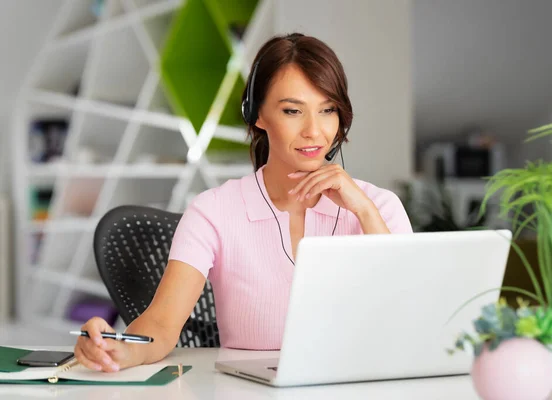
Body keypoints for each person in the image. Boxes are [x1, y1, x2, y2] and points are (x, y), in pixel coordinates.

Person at [73, 33, 413, 373]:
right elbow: (161, 325)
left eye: (327, 110)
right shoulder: (214, 212)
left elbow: (412, 317)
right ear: (257, 115)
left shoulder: (379, 207)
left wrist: (364, 211)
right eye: (293, 110)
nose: (314, 131)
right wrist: (118, 349)